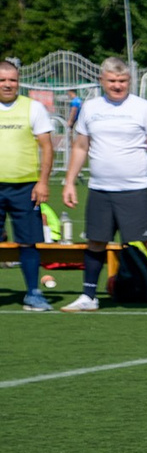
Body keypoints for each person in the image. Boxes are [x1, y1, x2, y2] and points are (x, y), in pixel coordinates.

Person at [60, 57, 147, 313]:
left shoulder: (143, 108)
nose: (118, 86)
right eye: (112, 81)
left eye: (123, 81)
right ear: (102, 81)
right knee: (95, 242)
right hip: (100, 189)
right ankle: (88, 296)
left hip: (136, 189)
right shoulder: (91, 108)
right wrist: (69, 181)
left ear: (129, 81)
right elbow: (81, 146)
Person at [0, 58, 56, 309]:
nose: (8, 84)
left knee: (28, 242)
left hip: (26, 187)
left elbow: (46, 147)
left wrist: (42, 182)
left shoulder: (33, 108)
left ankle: (33, 293)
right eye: (2, 80)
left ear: (19, 82)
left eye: (12, 80)